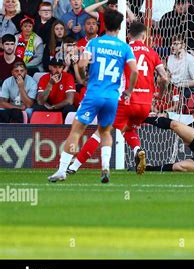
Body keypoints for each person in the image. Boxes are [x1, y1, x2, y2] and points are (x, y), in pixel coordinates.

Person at [65, 22, 168, 176]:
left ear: (128, 35)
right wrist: (160, 94)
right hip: (145, 104)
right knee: (128, 128)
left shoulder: (124, 50)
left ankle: (74, 166)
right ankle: (137, 150)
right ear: (145, 36)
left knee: (101, 132)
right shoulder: (152, 53)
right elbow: (164, 78)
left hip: (126, 100)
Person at [48, 9, 138, 183]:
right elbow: (134, 71)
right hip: (112, 97)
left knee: (77, 131)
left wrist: (82, 77)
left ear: (102, 24)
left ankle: (61, 170)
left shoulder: (94, 43)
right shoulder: (124, 47)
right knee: (105, 132)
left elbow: (82, 64)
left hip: (94, 94)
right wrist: (129, 90)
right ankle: (105, 168)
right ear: (120, 27)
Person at [166, 34, 194, 98]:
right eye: (172, 44)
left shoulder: (190, 59)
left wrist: (180, 85)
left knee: (177, 96)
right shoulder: (170, 58)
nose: (172, 46)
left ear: (184, 45)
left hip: (186, 88)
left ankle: (175, 106)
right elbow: (168, 75)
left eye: (176, 44)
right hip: (172, 87)